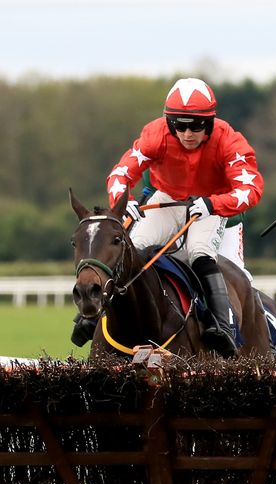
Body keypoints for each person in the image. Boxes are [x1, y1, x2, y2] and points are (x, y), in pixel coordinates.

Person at [71, 78, 265, 357]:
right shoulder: (155, 134)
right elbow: (121, 174)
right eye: (179, 125)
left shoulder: (229, 140)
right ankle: (90, 317)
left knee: (199, 252)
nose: (187, 133)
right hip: (167, 198)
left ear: (210, 122)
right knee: (131, 249)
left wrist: (213, 204)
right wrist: (125, 203)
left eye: (196, 126)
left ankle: (221, 326)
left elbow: (251, 189)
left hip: (208, 202)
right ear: (169, 123)